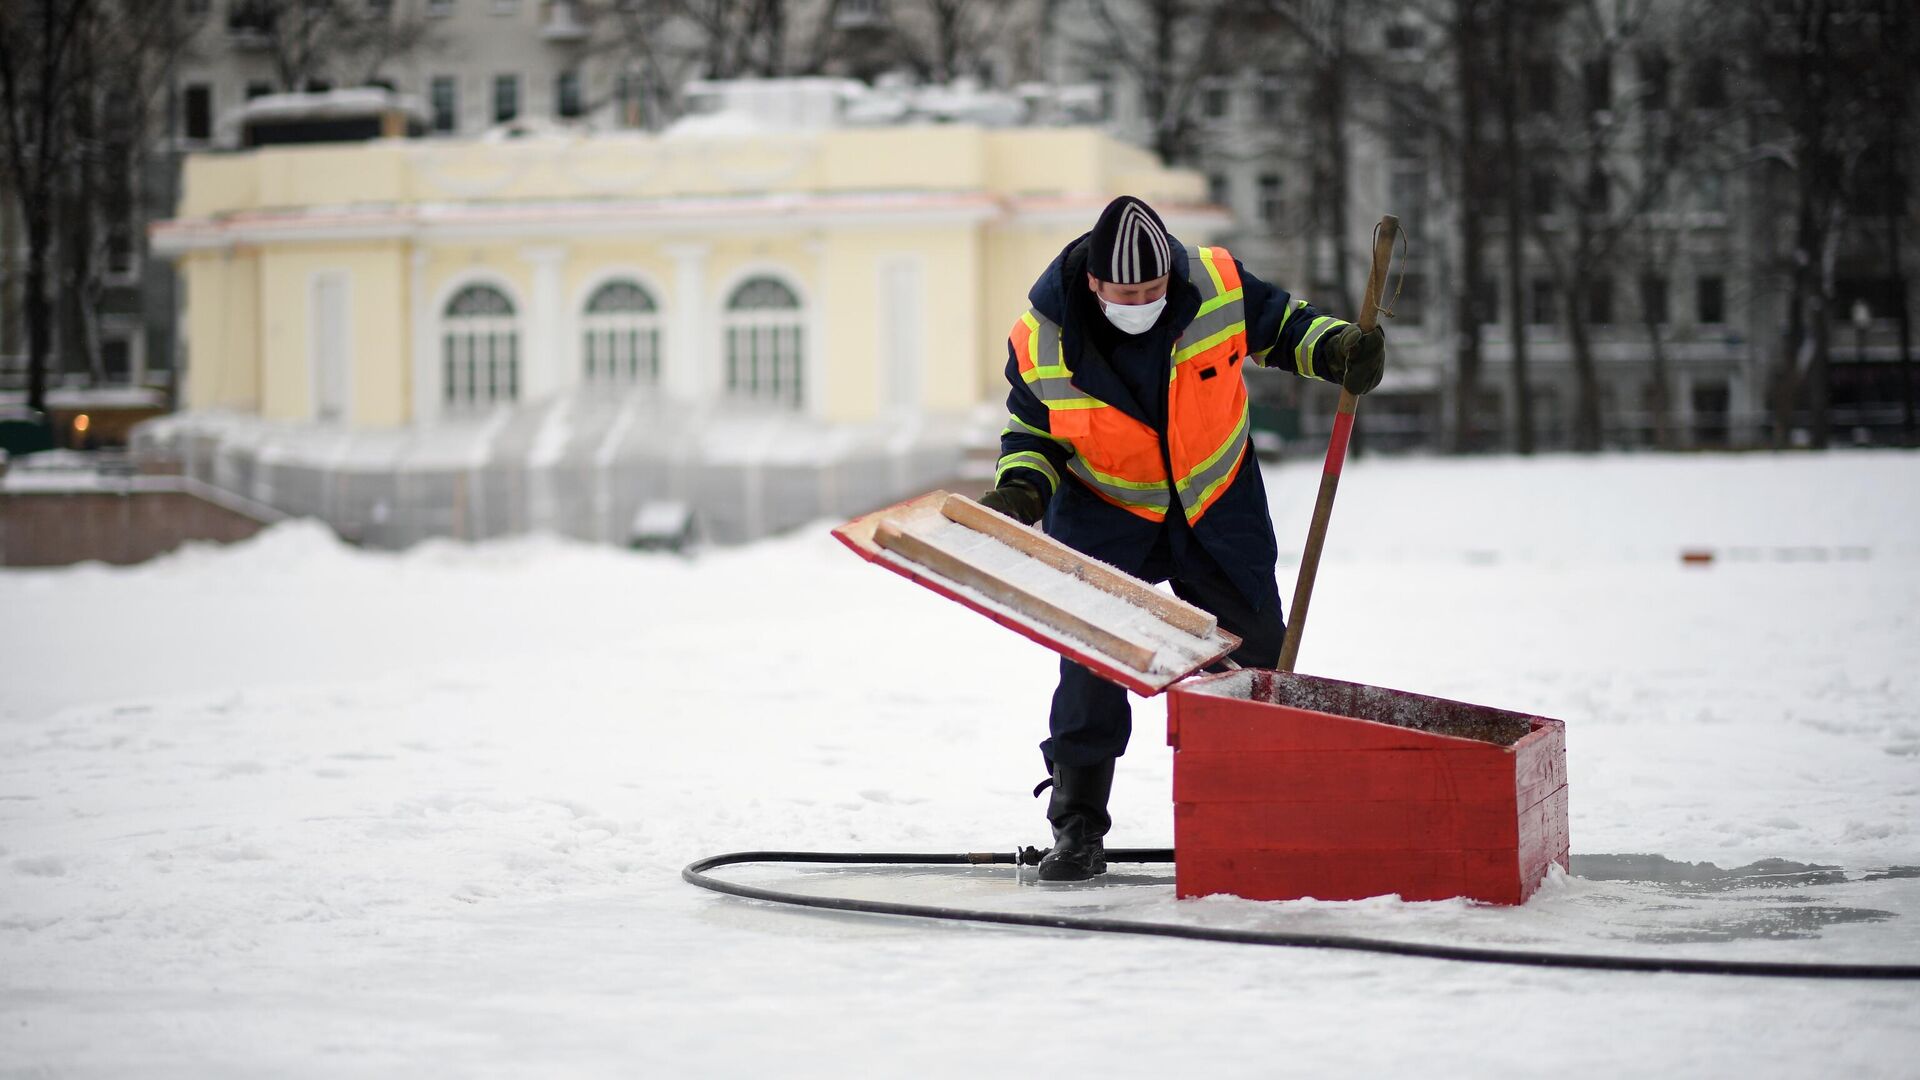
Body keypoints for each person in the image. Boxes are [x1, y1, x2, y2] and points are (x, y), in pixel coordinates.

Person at [981, 194, 1385, 882]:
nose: (1140, 300)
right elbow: (1031, 434)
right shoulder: (1040, 337)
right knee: (1091, 668)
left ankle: (1259, 815)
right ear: (1093, 283)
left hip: (1214, 504)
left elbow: (1284, 327)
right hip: (1105, 510)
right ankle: (1077, 826)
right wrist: (1022, 488)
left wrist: (1337, 348)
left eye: (1152, 288)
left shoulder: (1215, 282)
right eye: (1125, 292)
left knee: (1253, 660)